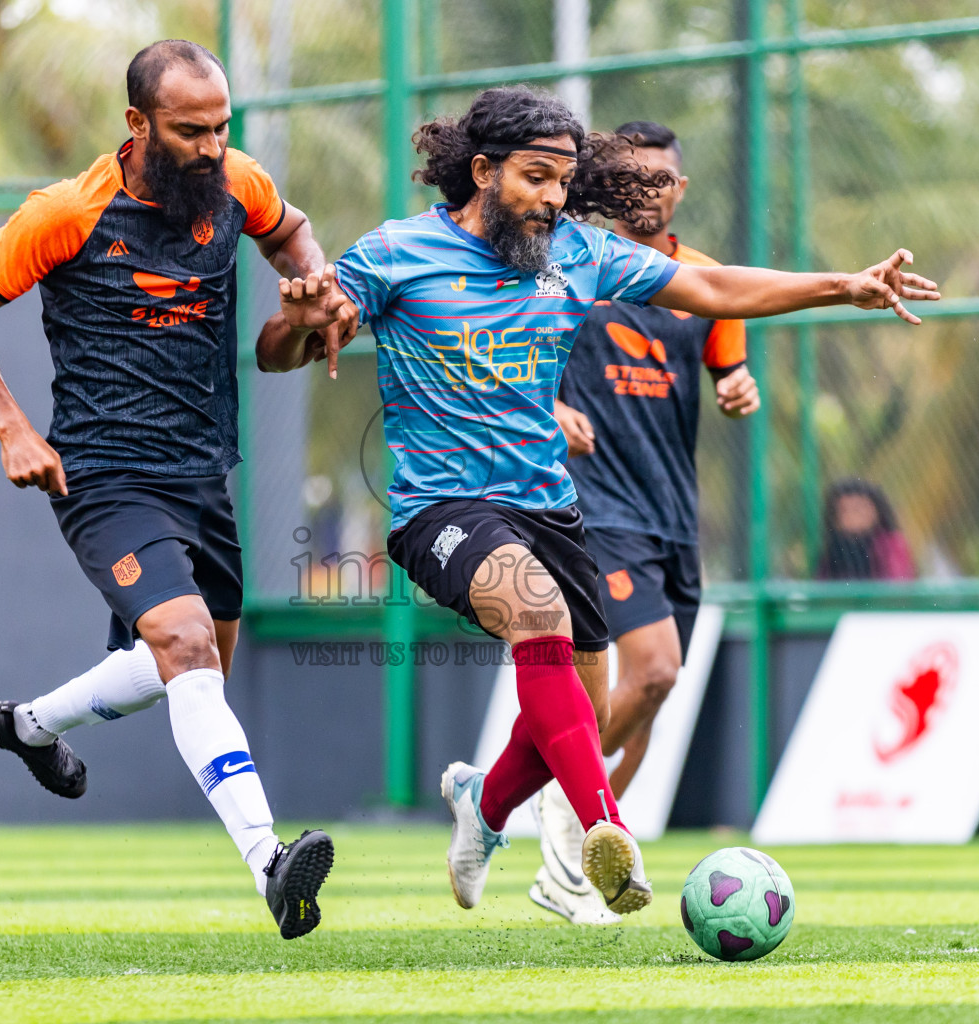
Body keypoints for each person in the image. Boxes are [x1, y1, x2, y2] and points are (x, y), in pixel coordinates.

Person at [270, 86, 938, 918]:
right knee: (538, 615)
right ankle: (607, 833)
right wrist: (301, 320)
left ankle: (484, 806)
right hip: (440, 509)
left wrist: (845, 286)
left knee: (572, 720)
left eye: (563, 179)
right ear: (482, 171)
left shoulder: (581, 254)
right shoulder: (396, 253)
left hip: (549, 506)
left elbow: (719, 289)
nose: (553, 196)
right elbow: (279, 352)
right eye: (536, 176)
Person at [0, 40, 337, 940]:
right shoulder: (68, 211)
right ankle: (272, 864)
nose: (211, 145)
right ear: (136, 125)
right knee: (188, 647)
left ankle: (28, 725)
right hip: (102, 473)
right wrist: (11, 426)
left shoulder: (239, 182)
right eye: (191, 129)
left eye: (222, 126)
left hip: (202, 469)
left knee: (189, 666)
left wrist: (310, 284)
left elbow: (293, 231)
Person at [533, 120, 757, 925]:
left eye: (660, 178)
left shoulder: (703, 281)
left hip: (672, 510)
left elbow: (729, 367)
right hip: (593, 504)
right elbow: (512, 357)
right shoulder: (573, 270)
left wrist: (739, 388)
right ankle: (575, 833)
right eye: (631, 178)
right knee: (655, 669)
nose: (647, 191)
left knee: (651, 696)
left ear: (680, 189)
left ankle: (553, 827)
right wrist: (552, 404)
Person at [815, 478, 917, 581]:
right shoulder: (833, 548)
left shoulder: (890, 544)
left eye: (858, 509)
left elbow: (897, 584)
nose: (852, 516)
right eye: (844, 510)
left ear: (877, 512)